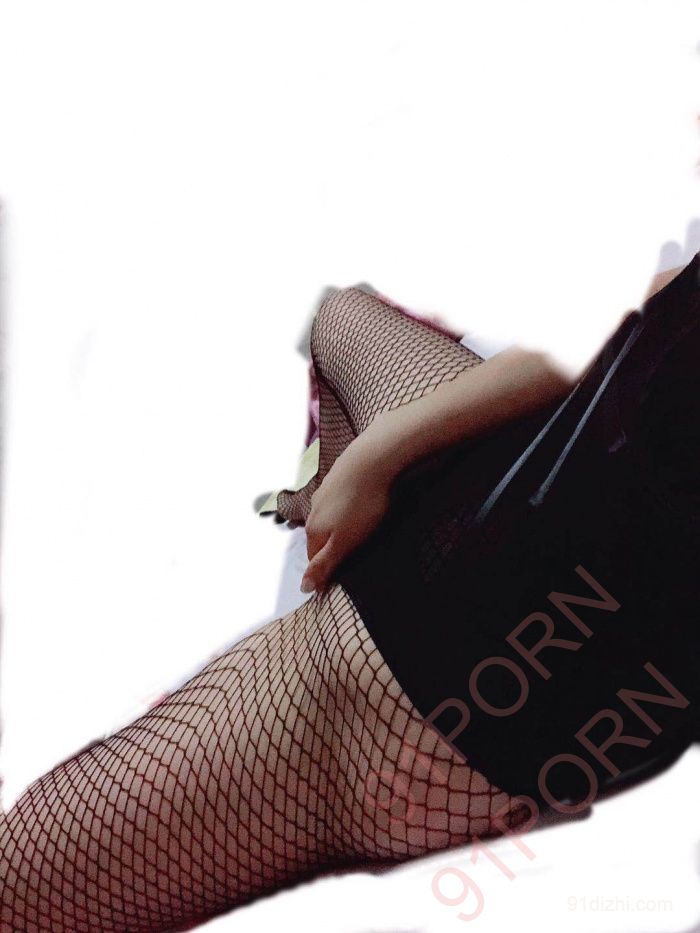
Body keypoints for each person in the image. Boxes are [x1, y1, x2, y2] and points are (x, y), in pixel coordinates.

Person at [0, 256, 697, 932]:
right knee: (339, 316)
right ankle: (323, 534)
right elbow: (658, 303)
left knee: (17, 887)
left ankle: (312, 613)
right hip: (525, 523)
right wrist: (378, 453)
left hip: (431, 667)